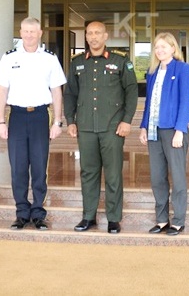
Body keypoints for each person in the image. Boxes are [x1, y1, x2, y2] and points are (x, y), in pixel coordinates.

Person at [64, 21, 138, 234]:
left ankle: (114, 218)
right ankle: (89, 216)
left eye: (98, 33)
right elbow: (70, 93)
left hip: (112, 127)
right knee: (88, 173)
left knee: (113, 173)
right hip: (86, 126)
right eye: (90, 33)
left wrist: (127, 120)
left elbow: (131, 91)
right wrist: (70, 120)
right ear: (86, 37)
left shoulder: (120, 61)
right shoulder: (77, 63)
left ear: (106, 36)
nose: (93, 37)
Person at [0, 17, 66, 231]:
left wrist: (58, 121)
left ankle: (38, 213)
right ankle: (21, 212)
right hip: (16, 117)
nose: (29, 35)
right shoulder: (9, 58)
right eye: (25, 31)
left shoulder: (50, 59)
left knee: (40, 166)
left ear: (40, 33)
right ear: (21, 32)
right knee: (18, 167)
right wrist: (0, 121)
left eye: (33, 31)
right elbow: (1, 91)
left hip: (41, 116)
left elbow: (57, 91)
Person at [139, 32, 189, 236]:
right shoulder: (152, 72)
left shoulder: (182, 69)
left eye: (164, 46)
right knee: (157, 177)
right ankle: (162, 219)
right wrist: (143, 126)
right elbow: (148, 103)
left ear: (173, 48)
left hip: (173, 130)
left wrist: (180, 130)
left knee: (178, 178)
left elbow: (185, 101)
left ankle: (178, 220)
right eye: (156, 47)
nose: (160, 50)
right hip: (154, 131)